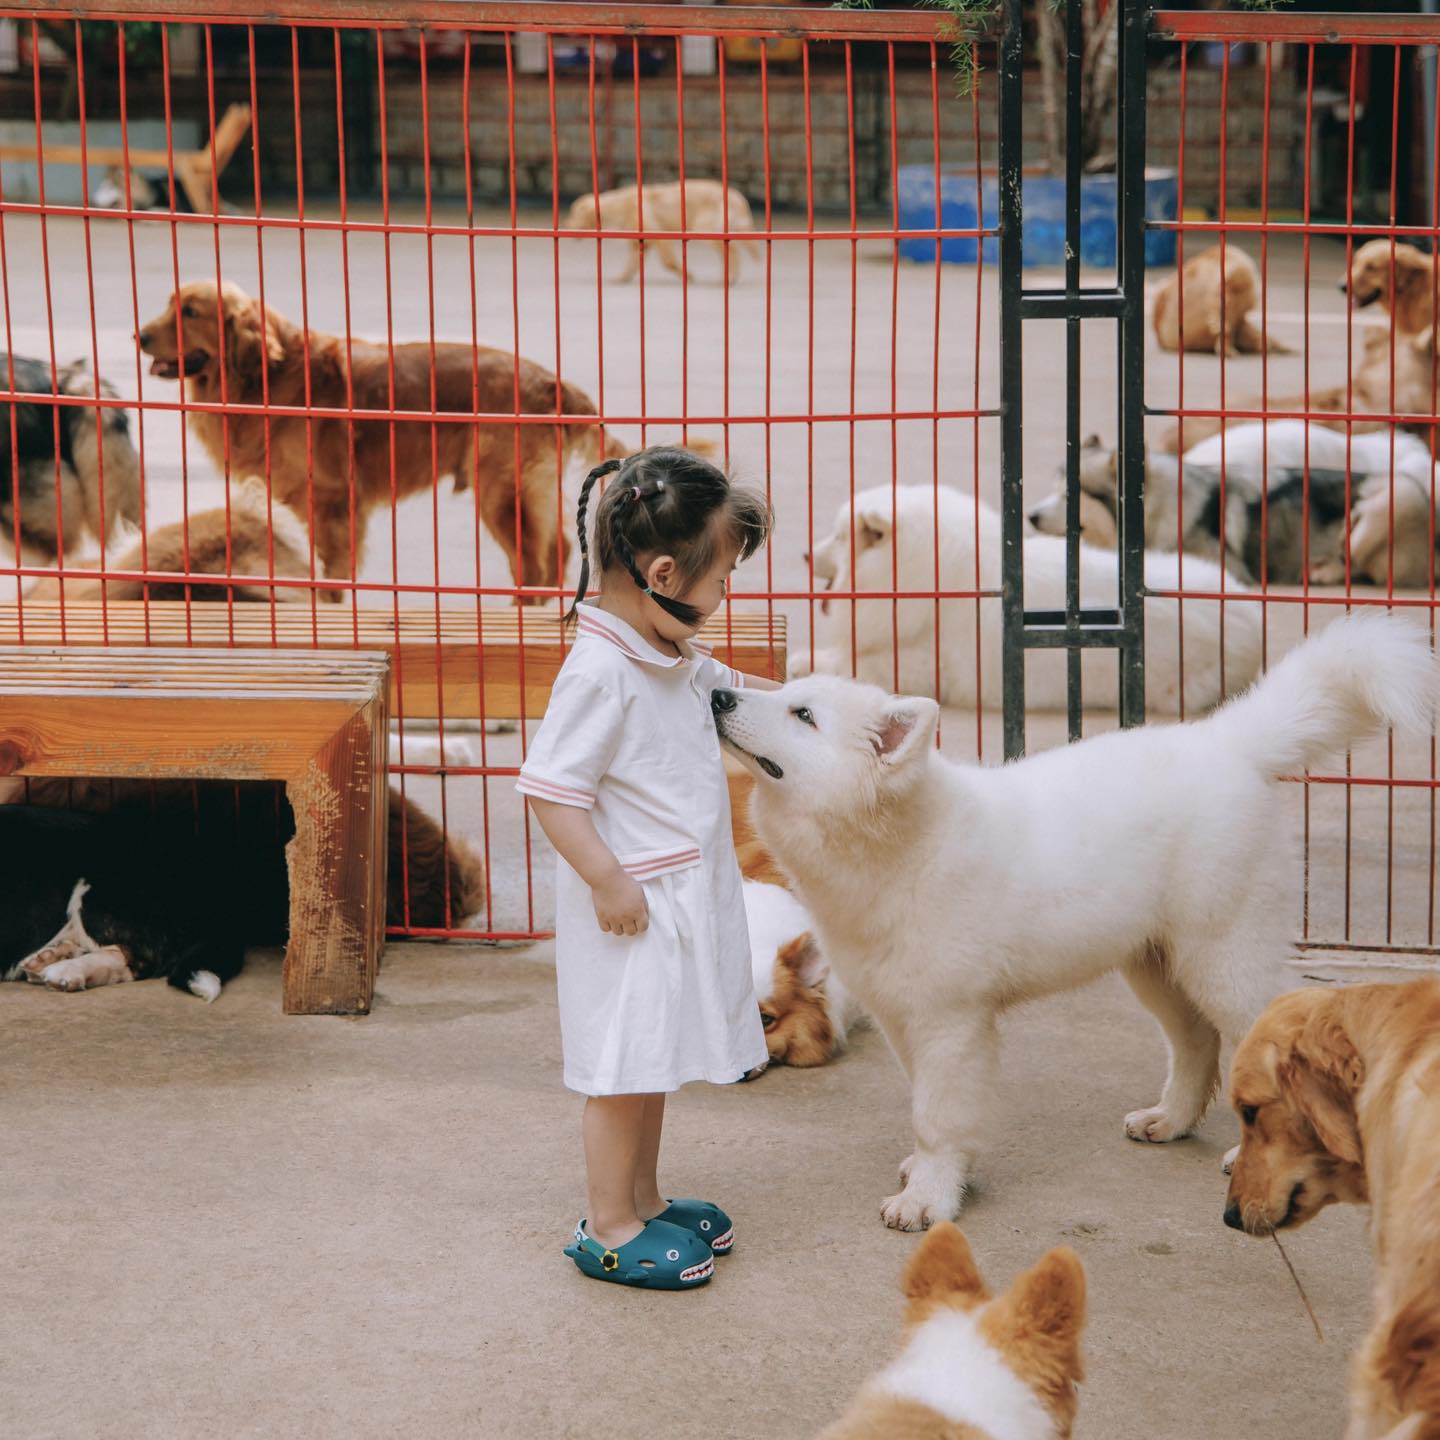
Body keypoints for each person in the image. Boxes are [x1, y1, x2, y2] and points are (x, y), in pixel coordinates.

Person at [518, 446, 778, 1290]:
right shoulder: (599, 672)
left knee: (653, 1062)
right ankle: (608, 1225)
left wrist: (809, 710)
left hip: (673, 901)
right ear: (664, 572)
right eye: (722, 581)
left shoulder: (664, 654)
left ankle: (646, 1199)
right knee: (621, 1067)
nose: (721, 599)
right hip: (630, 914)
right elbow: (554, 791)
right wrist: (607, 879)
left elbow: (731, 692)